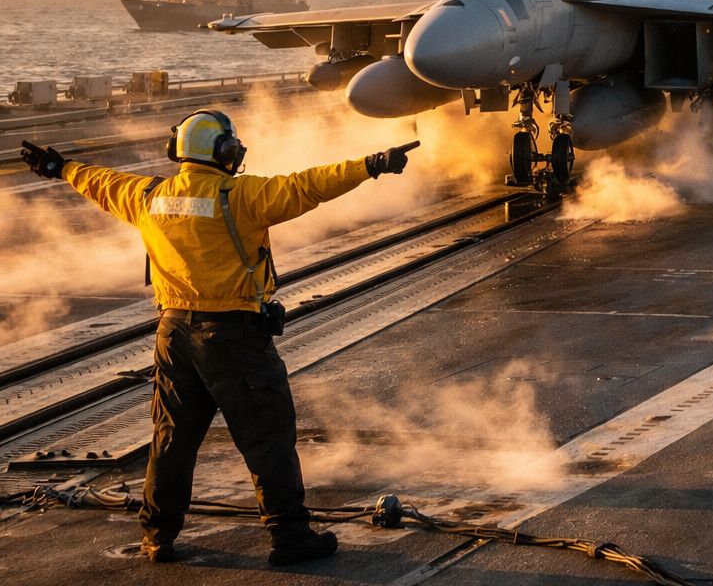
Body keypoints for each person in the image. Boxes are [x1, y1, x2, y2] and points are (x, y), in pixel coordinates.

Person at [19, 111, 418, 566]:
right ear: (226, 152)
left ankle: (156, 535)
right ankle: (290, 537)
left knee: (172, 439)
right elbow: (308, 185)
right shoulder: (242, 195)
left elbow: (101, 182)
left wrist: (61, 168)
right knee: (267, 438)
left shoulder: (149, 195)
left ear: (179, 153)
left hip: (174, 336)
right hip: (234, 338)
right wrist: (370, 164)